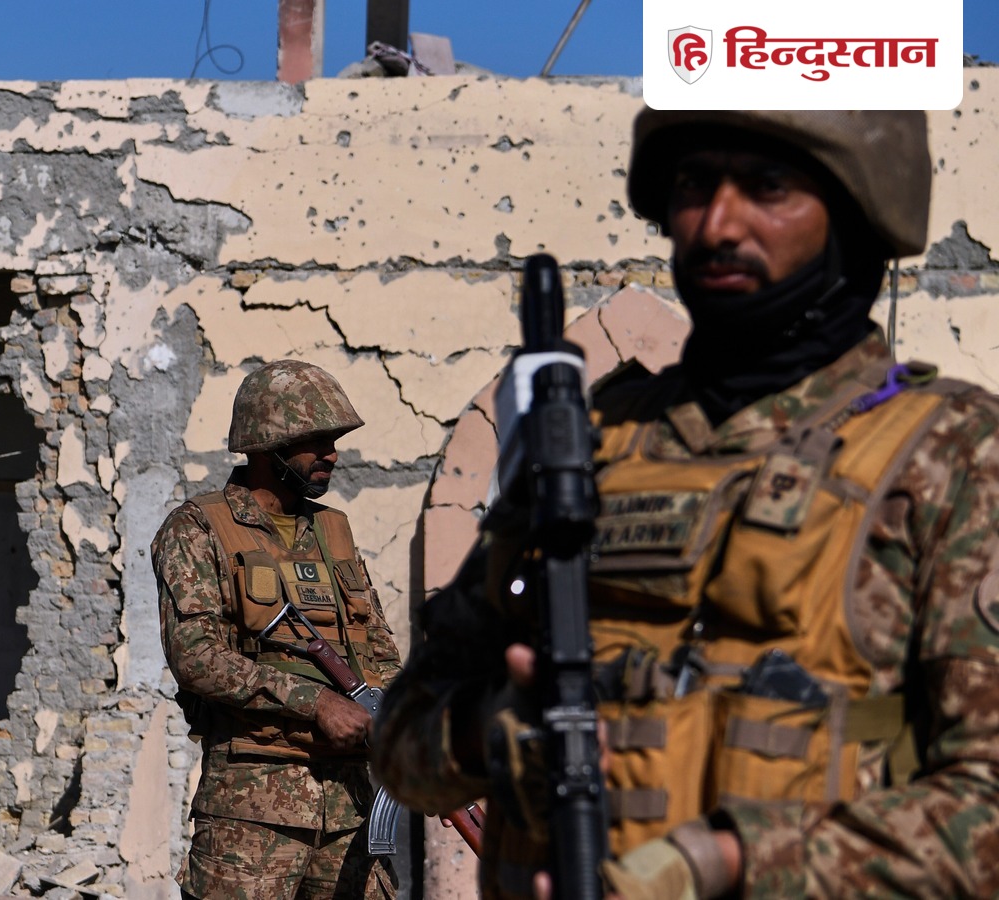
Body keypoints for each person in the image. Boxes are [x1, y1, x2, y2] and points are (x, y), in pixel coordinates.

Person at [373, 108, 999, 898]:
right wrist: (492, 730)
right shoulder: (592, 443)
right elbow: (401, 743)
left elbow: (984, 810)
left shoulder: (954, 453)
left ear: (856, 211)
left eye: (767, 188)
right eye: (695, 186)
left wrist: (727, 861)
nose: (716, 225)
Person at [153, 359, 402, 899]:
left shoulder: (333, 530)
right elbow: (196, 655)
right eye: (317, 442)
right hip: (251, 814)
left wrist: (402, 713)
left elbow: (378, 647)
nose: (332, 454)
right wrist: (315, 703)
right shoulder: (198, 528)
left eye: (334, 441)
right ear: (269, 446)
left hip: (351, 809)